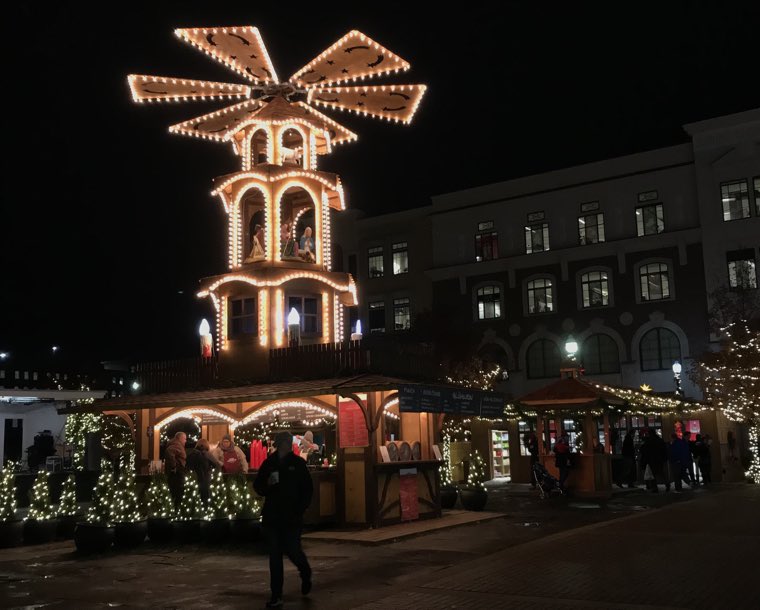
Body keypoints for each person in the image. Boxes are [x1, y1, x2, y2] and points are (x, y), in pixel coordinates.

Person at [254, 431, 314, 608]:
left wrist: (300, 510)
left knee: (294, 551)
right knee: (275, 556)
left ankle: (305, 572)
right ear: (279, 444)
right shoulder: (269, 463)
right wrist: (267, 486)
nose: (286, 445)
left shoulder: (297, 464)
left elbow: (307, 489)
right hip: (273, 516)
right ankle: (276, 594)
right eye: (284, 442)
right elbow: (258, 486)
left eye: (288, 442)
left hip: (291, 517)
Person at [186, 438, 220, 503]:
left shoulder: (191, 453)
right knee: (206, 498)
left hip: (193, 479)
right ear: (207, 445)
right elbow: (216, 464)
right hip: (205, 478)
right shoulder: (207, 454)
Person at [164, 431, 187, 508]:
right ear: (180, 438)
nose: (185, 441)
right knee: (178, 492)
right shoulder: (176, 445)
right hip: (177, 473)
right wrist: (174, 466)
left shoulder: (176, 444)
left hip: (176, 473)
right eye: (184, 439)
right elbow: (169, 451)